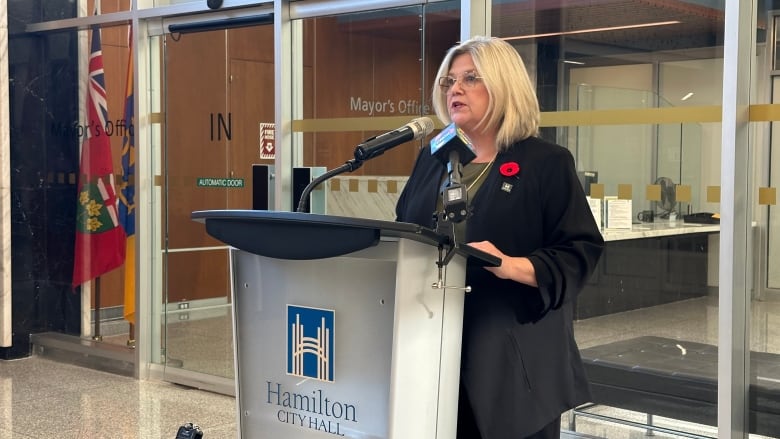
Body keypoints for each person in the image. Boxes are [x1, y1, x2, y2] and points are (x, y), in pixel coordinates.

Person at [395, 36, 605, 439]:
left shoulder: (545, 163)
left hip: (512, 366)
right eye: (448, 81)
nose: (454, 89)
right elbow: (405, 230)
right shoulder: (432, 160)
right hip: (430, 352)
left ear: (505, 85)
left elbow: (580, 252)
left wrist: (511, 266)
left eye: (470, 78)